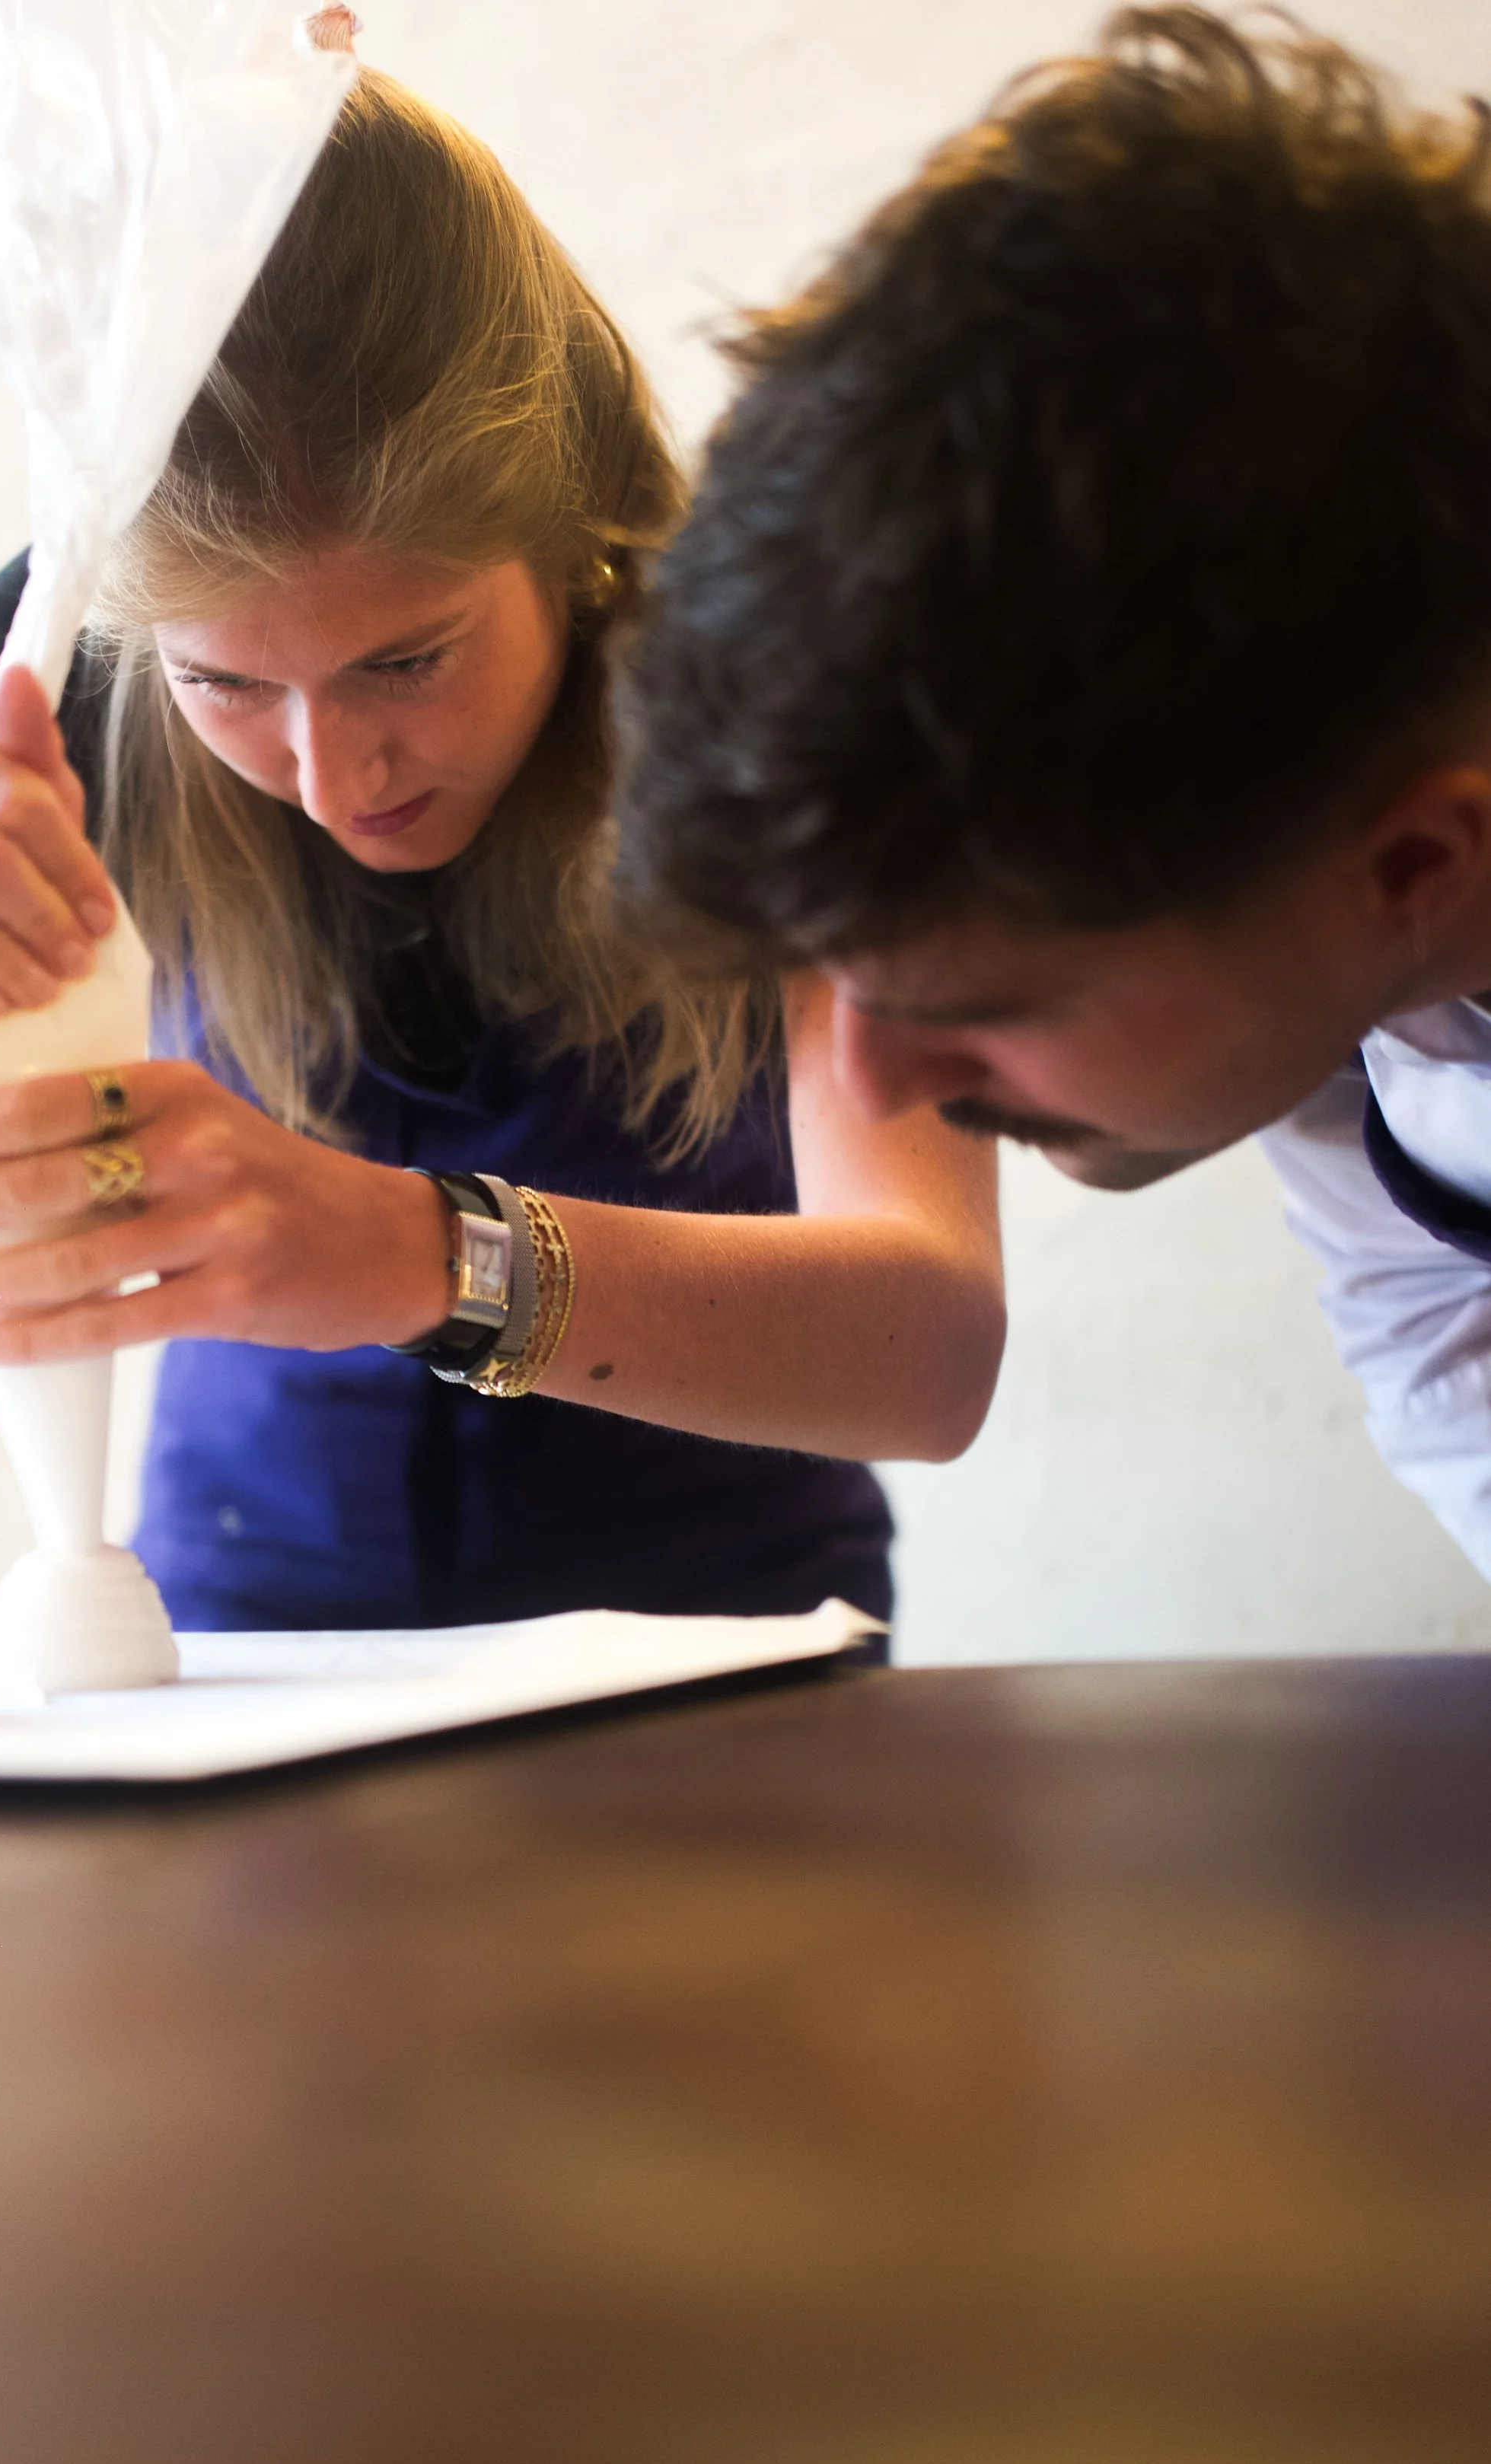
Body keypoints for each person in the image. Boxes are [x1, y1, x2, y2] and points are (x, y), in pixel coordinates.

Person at [0, 69, 1003, 1636]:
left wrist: (415, 1257)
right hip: (242, 1683)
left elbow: (929, 1346)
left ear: (565, 529)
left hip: (727, 1687)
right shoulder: (64, 667)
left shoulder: (759, 662)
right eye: (226, 685)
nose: (331, 774)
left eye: (405, 661)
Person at [618, 3, 1491, 1579]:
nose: (871, 1089)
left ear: (1418, 864)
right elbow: (1445, 1325)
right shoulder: (1325, 852)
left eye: (988, 996)